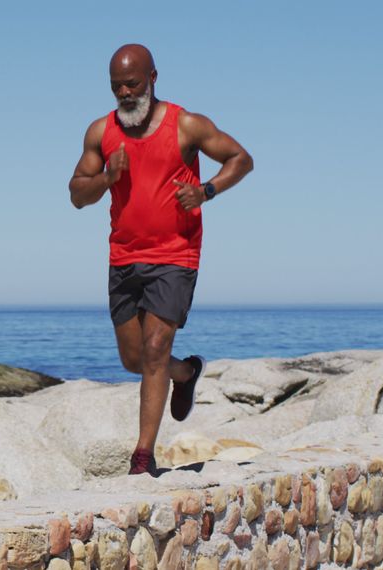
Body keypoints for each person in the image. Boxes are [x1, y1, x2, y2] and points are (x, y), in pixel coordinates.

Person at [68, 44, 254, 476]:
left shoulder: (185, 125)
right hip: (124, 256)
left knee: (154, 350)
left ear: (153, 78)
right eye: (116, 87)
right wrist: (106, 178)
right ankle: (186, 373)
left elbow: (240, 159)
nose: (124, 93)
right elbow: (78, 195)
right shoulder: (101, 132)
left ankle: (142, 459)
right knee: (135, 360)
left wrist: (206, 191)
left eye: (132, 84)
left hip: (175, 255)